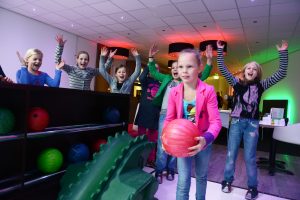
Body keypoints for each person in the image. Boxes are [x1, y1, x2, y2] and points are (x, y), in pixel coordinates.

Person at [217, 40, 288, 200]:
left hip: (252, 125)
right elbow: (222, 69)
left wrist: (283, 53)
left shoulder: (262, 85)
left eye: (254, 69)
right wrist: (220, 50)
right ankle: (227, 181)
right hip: (236, 122)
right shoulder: (236, 83)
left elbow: (281, 73)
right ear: (244, 71)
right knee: (231, 154)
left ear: (257, 73)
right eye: (248, 67)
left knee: (249, 157)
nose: (251, 70)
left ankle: (252, 188)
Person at [148, 44, 214, 184]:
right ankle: (159, 170)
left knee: (177, 143)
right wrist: (151, 58)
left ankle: (171, 169)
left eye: (179, 67)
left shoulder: (187, 83)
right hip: (165, 115)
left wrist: (208, 62)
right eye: (173, 68)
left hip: (179, 117)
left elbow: (204, 75)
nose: (176, 70)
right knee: (163, 143)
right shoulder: (167, 79)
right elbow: (153, 72)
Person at [164, 48, 222, 200]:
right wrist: (165, 138)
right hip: (183, 143)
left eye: (189, 66)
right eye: (181, 66)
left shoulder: (208, 91)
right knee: (183, 181)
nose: (184, 71)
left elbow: (215, 122)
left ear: (199, 67)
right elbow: (169, 120)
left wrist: (206, 139)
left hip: (203, 141)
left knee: (201, 177)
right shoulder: (174, 92)